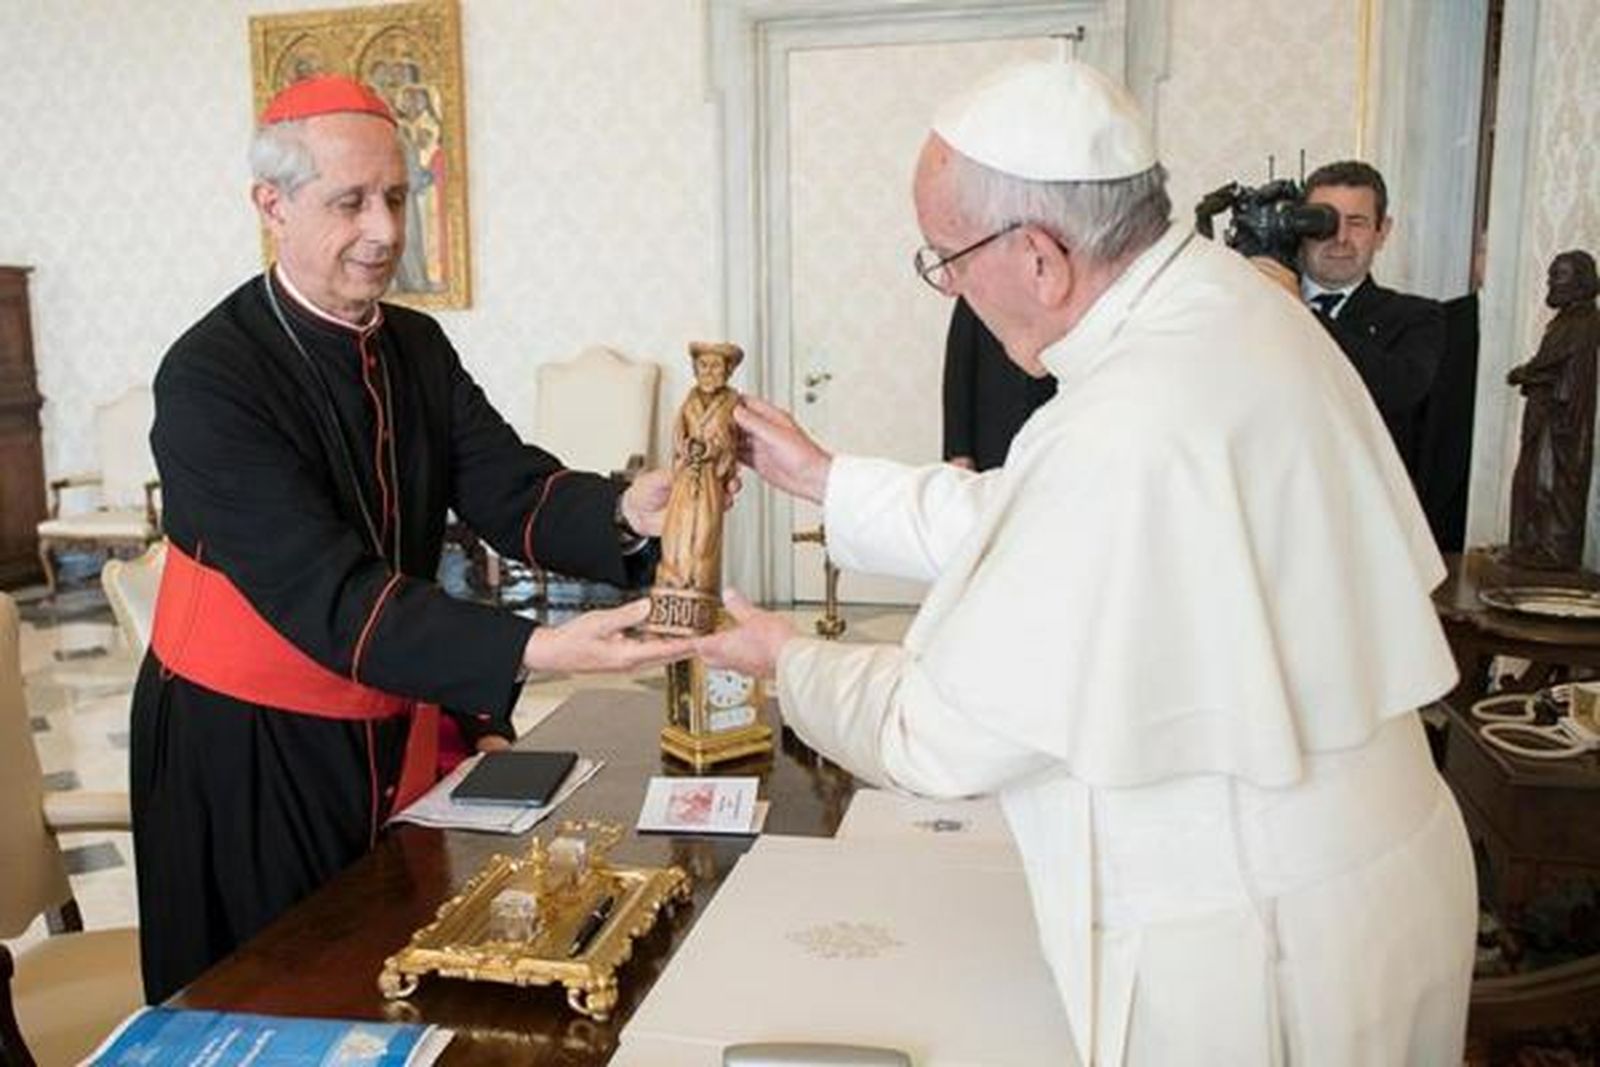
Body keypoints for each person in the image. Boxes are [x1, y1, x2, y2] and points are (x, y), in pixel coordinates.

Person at [698, 61, 1476, 1065]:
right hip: (1373, 882)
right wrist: (825, 478)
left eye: (945, 259)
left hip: (1261, 952)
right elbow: (1052, 526)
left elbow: (936, 734)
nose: (948, 285)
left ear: (1039, 257)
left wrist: (783, 658)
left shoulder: (1121, 422)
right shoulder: (1226, 304)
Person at [130, 75, 694, 1004]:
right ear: (271, 205)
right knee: (283, 997)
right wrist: (538, 647)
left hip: (389, 707)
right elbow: (329, 593)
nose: (385, 229)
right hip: (247, 751)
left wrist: (631, 508)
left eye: (397, 196)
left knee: (395, 970)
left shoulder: (415, 347)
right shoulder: (208, 377)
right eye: (350, 201)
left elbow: (512, 487)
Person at [1299, 160, 1446, 483]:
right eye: (1324, 221)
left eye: (1356, 223)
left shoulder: (1417, 318)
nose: (1340, 237)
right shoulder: (1257, 305)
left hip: (1360, 502)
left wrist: (1297, 311)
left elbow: (1397, 391)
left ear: (1382, 232)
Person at [1506, 250, 1600, 570]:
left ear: (1581, 281)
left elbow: (1550, 365)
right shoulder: (1568, 319)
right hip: (1548, 417)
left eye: (1558, 275)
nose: (1550, 282)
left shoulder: (1583, 321)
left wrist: (1523, 373)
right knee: (1533, 481)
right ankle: (1531, 546)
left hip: (1561, 423)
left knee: (1547, 484)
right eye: (1550, 275)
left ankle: (1551, 551)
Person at [942, 295, 1056, 470]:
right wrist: (958, 452)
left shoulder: (1066, 288)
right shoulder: (978, 288)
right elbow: (958, 372)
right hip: (990, 440)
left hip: (1051, 436)